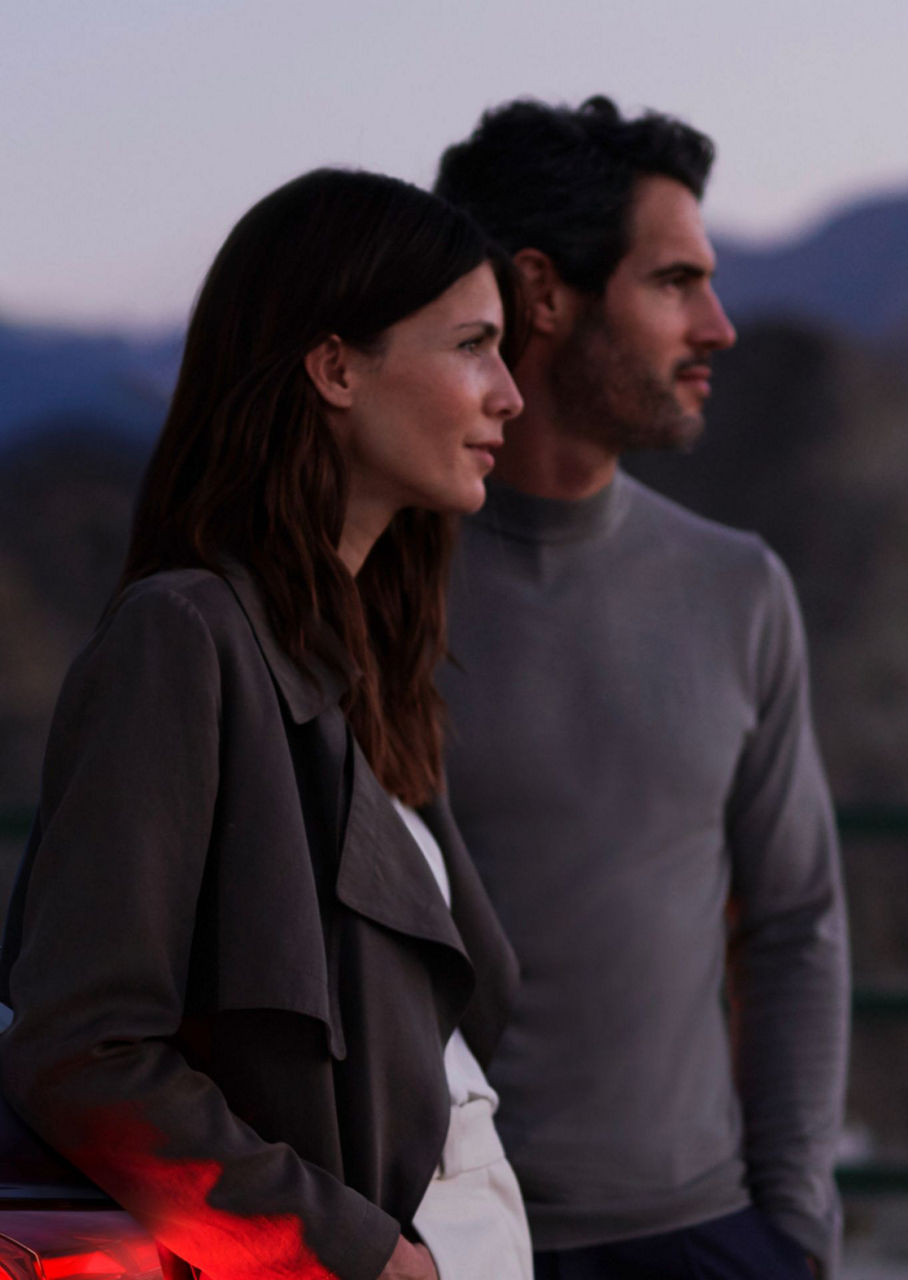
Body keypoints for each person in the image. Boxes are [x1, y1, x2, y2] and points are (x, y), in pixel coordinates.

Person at [0, 168, 533, 1280]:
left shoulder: (365, 665)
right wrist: (356, 1254)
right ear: (336, 365)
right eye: (473, 345)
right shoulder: (183, 637)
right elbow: (82, 1047)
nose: (509, 394)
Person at [433, 97, 851, 1279]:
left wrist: (792, 1227)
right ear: (543, 294)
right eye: (674, 282)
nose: (716, 324)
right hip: (436, 1247)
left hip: (703, 1237)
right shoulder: (362, 594)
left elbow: (796, 924)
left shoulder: (739, 589)